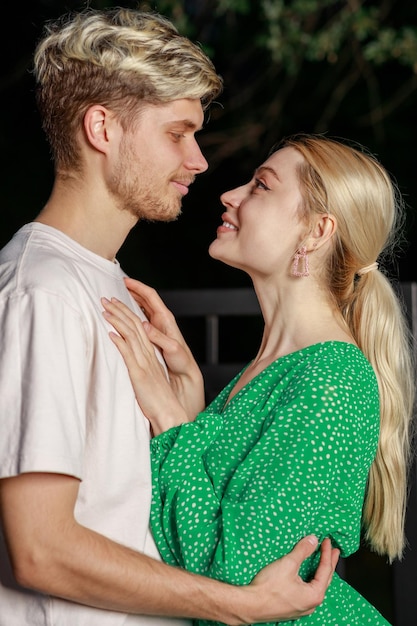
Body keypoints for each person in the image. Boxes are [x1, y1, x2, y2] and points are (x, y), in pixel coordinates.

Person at [0, 8, 339, 626]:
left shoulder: (112, 287)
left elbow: (125, 505)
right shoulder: (42, 291)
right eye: (177, 133)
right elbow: (40, 550)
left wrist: (184, 419)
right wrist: (239, 606)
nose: (200, 160)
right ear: (102, 127)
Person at [101, 133, 415, 625]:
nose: (230, 194)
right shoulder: (273, 368)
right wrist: (190, 407)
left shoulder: (333, 379)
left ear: (315, 231)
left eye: (261, 186)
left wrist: (170, 421)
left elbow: (237, 578)